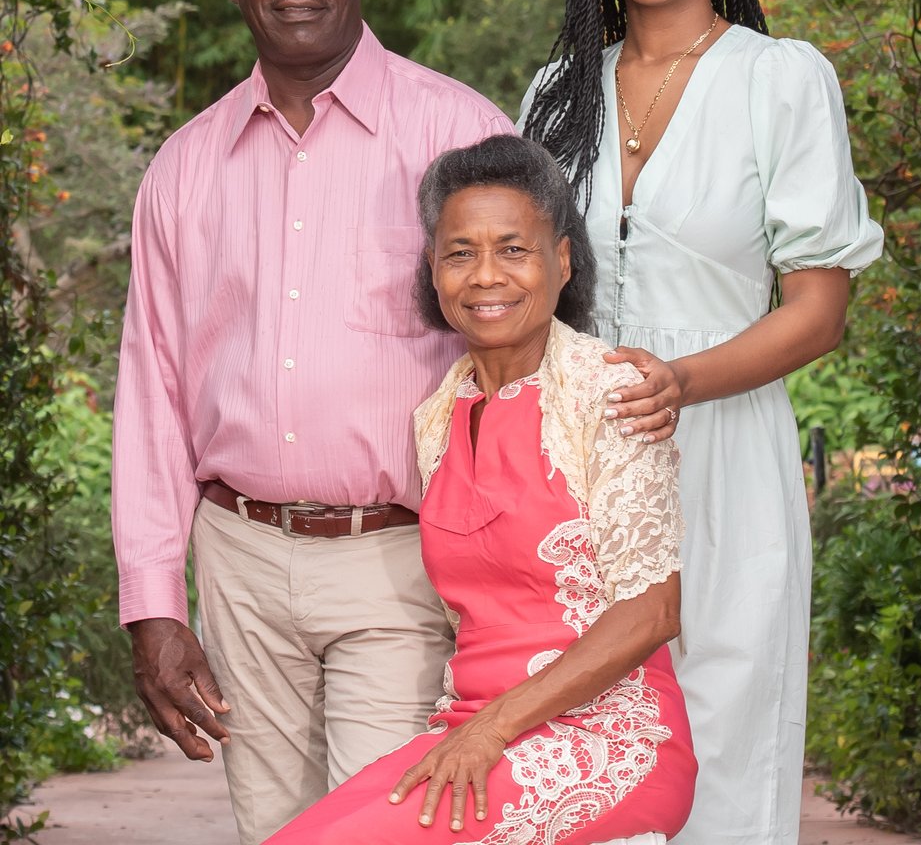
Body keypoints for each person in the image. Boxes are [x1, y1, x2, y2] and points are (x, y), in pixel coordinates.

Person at [111, 0, 514, 845]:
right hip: (241, 563)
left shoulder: (460, 136)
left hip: (401, 562)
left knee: (382, 832)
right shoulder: (184, 169)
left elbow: (525, 367)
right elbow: (153, 391)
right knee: (274, 833)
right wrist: (154, 606)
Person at [519, 0, 884, 845]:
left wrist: (681, 380)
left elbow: (818, 312)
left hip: (724, 458)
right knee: (586, 762)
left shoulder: (782, 81)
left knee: (726, 756)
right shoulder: (554, 96)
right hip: (581, 474)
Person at [266, 134, 697, 844]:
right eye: (460, 252)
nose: (486, 275)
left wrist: (491, 730)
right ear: (433, 270)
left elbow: (651, 614)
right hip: (471, 732)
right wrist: (476, 731)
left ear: (561, 260)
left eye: (514, 249)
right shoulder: (438, 415)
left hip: (606, 736)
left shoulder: (610, 393)